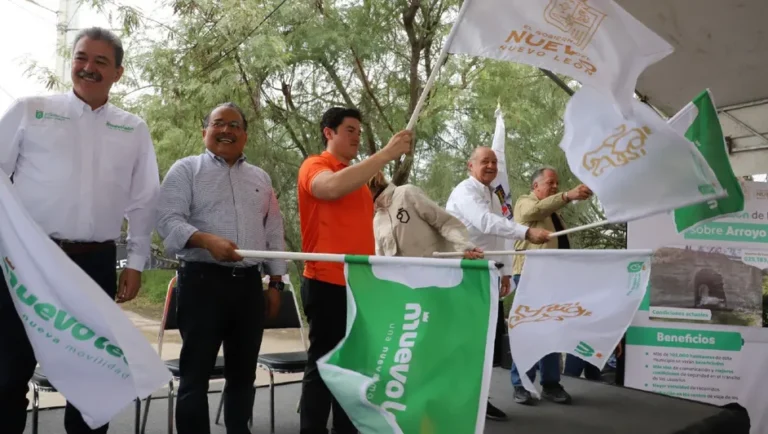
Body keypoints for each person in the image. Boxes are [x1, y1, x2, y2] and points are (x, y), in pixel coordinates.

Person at [0, 27, 159, 434]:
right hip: (26, 264)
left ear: (118, 73)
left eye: (101, 61)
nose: (88, 68)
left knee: (92, 375)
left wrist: (136, 262)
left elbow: (144, 201)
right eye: (81, 58)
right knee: (7, 372)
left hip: (95, 265)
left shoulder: (133, 129)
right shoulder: (30, 109)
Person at [155, 102, 288, 434]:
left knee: (243, 374)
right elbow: (167, 219)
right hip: (202, 284)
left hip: (248, 288)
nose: (226, 130)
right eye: (218, 124)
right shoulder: (186, 170)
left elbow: (273, 231)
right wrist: (204, 240)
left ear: (245, 135)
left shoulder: (260, 177)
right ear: (205, 132)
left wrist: (275, 283)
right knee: (195, 375)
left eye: (234, 125)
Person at [297, 107, 411, 434]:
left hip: (358, 284)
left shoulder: (361, 180)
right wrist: (386, 154)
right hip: (326, 280)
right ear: (328, 133)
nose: (356, 137)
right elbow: (328, 188)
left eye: (359, 132)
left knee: (352, 367)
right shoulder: (315, 165)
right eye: (350, 130)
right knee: (323, 364)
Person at [445, 146, 550, 421]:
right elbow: (486, 223)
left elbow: (501, 234)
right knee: (464, 343)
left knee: (486, 344)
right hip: (464, 276)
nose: (491, 166)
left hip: (489, 276)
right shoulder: (464, 192)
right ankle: (455, 401)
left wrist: (504, 272)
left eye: (494, 161)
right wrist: (527, 231)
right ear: (470, 166)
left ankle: (478, 400)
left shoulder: (495, 195)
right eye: (485, 161)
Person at [509, 166, 592, 404]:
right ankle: (521, 383)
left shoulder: (556, 214)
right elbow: (532, 212)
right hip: (531, 276)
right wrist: (567, 196)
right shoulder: (525, 202)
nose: (556, 187)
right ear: (535, 186)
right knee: (530, 330)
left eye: (557, 184)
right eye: (551, 183)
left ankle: (551, 383)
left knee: (552, 332)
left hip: (555, 278)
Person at [367, 171, 483, 259]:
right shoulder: (377, 220)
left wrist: (464, 246)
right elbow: (382, 259)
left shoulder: (406, 194)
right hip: (404, 286)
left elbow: (444, 222)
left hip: (436, 276)